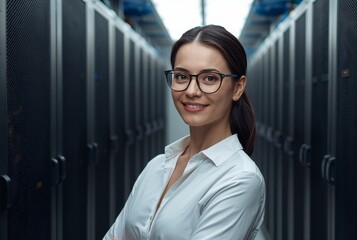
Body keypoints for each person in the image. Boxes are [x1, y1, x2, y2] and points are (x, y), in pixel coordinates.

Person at [103, 25, 265, 240]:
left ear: (238, 88)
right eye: (181, 76)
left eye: (210, 78)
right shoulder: (156, 167)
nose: (191, 91)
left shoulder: (240, 179)